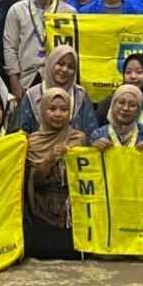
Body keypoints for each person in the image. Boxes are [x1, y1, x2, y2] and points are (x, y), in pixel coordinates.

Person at [24, 87, 87, 260]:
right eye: (52, 109)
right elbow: (34, 183)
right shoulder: (32, 142)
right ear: (42, 111)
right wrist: (50, 159)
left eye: (63, 109)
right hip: (42, 211)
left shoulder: (78, 139)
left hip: (71, 211)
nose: (58, 114)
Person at [2, 0, 76, 99]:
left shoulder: (69, 12)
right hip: (26, 79)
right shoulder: (17, 10)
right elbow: (10, 48)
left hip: (59, 80)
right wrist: (15, 84)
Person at [18, 45, 98, 135]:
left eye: (71, 67)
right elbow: (22, 134)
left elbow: (91, 132)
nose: (65, 69)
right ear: (51, 63)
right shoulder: (32, 95)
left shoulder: (80, 95)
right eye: (60, 64)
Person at [95, 53, 143, 131]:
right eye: (128, 72)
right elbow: (95, 132)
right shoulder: (109, 103)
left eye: (139, 72)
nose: (133, 76)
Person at [90, 84, 143, 151]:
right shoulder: (98, 135)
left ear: (138, 110)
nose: (125, 108)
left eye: (132, 105)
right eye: (121, 102)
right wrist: (94, 149)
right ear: (112, 105)